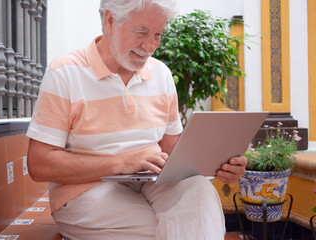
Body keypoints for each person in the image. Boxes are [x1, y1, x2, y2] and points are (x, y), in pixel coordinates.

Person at [26, 0, 247, 239]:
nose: (150, 46)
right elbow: (39, 164)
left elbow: (172, 150)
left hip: (153, 182)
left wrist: (217, 164)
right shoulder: (65, 72)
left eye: (158, 35)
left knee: (200, 193)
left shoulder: (161, 74)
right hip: (86, 190)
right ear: (110, 21)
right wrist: (121, 163)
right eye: (141, 32)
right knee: (167, 230)